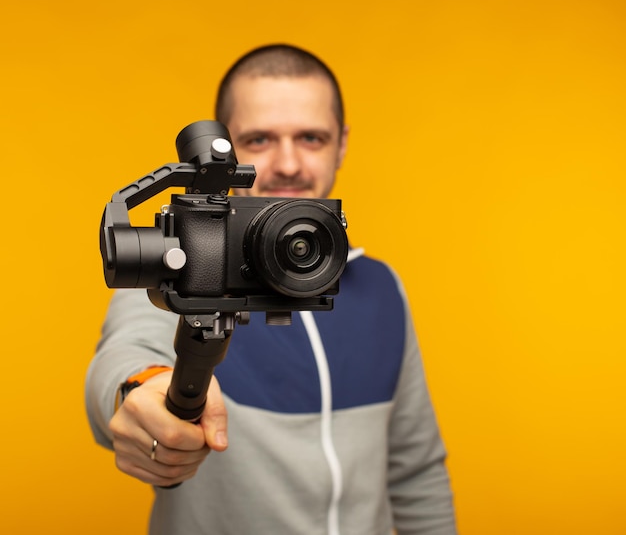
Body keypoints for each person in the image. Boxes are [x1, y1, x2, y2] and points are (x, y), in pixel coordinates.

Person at [86, 43, 457, 535]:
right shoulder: (180, 274)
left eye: (310, 137)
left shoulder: (382, 289)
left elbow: (416, 473)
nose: (287, 164)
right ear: (229, 150)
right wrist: (147, 388)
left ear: (341, 143)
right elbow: (124, 358)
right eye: (259, 139)